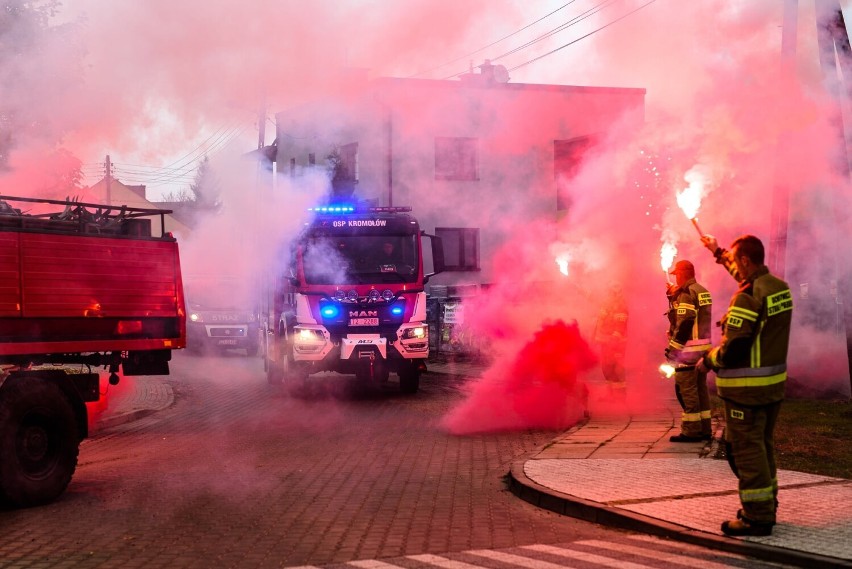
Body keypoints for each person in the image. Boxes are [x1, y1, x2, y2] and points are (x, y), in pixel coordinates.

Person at [697, 234, 793, 537]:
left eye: (738, 260)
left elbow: (735, 347)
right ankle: (768, 504)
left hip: (746, 392)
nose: (736, 266)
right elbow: (747, 275)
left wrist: (709, 359)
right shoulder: (778, 288)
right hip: (772, 388)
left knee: (747, 452)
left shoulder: (747, 296)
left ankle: (757, 517)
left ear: (747, 260)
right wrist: (717, 251)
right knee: (763, 448)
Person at [664, 260, 713, 442]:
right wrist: (673, 297)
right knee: (700, 389)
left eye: (677, 274)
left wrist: (673, 350)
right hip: (703, 349)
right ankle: (705, 429)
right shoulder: (702, 291)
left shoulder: (686, 294)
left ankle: (691, 431)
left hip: (688, 350)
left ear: (684, 273)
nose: (675, 277)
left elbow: (684, 323)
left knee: (687, 390)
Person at [593, 284, 629, 399]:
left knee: (616, 369)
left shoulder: (620, 306)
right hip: (606, 342)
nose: (607, 294)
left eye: (609, 292)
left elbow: (620, 327)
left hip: (616, 344)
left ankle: (620, 396)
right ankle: (611, 394)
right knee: (607, 368)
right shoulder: (607, 304)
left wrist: (613, 342)